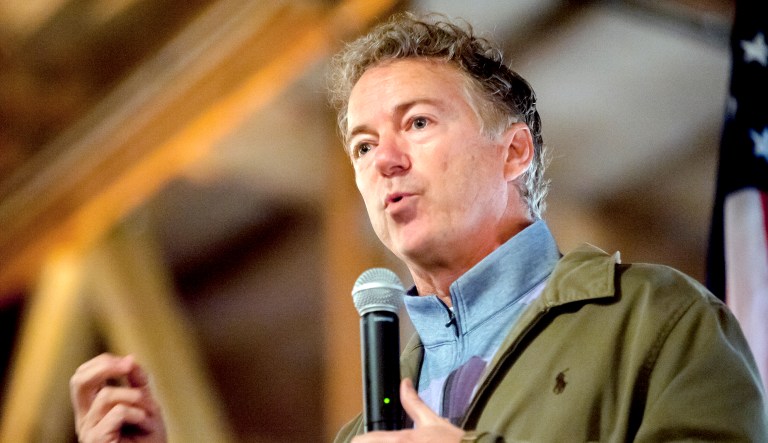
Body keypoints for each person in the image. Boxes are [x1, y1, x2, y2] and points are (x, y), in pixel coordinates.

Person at [70, 12, 768, 443]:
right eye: (363, 145)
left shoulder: (658, 320)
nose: (386, 161)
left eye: (418, 123)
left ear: (514, 152)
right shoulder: (364, 434)